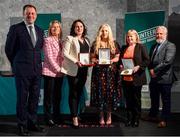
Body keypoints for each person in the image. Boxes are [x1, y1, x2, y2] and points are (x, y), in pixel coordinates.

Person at [5, 4, 44, 135]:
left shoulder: (39, 30)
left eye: (33, 13)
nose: (30, 15)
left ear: (36, 15)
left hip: (37, 70)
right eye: (28, 13)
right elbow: (9, 49)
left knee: (34, 98)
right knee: (22, 98)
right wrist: (16, 64)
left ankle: (32, 123)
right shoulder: (16, 29)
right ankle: (22, 125)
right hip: (22, 70)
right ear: (23, 14)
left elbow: (38, 50)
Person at [61, 19, 90, 128]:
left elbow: (87, 55)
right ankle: (74, 117)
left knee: (79, 93)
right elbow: (65, 53)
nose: (79, 28)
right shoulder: (70, 38)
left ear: (84, 28)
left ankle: (76, 114)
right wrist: (76, 61)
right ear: (74, 28)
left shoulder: (86, 40)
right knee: (73, 94)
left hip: (84, 70)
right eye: (77, 26)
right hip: (73, 70)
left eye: (81, 26)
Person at [90, 24, 121, 125]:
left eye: (106, 31)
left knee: (109, 94)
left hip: (110, 73)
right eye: (102, 31)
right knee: (100, 94)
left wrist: (112, 60)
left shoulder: (114, 43)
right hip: (99, 73)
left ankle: (109, 115)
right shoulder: (95, 43)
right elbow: (92, 58)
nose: (104, 33)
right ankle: (101, 115)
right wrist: (97, 60)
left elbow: (118, 56)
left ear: (109, 32)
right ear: (100, 32)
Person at [120, 29, 150, 127]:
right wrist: (120, 66)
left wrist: (139, 66)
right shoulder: (124, 47)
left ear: (136, 37)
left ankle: (136, 119)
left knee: (136, 99)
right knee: (128, 100)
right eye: (128, 36)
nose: (129, 38)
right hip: (125, 78)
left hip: (137, 78)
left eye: (131, 36)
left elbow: (147, 61)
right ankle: (129, 118)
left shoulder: (141, 47)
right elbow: (120, 61)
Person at [148, 26, 176, 128]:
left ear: (165, 35)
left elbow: (167, 62)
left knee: (165, 100)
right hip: (154, 78)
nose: (158, 35)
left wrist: (154, 70)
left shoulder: (171, 46)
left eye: (161, 34)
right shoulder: (153, 46)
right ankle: (153, 115)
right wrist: (150, 70)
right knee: (154, 98)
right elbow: (149, 61)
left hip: (165, 78)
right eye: (157, 34)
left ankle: (164, 120)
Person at [42, 20, 64, 126]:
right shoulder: (47, 40)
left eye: (57, 27)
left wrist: (63, 69)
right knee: (48, 97)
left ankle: (57, 116)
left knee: (57, 96)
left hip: (60, 73)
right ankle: (48, 118)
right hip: (50, 72)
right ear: (50, 29)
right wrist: (59, 69)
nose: (55, 29)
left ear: (60, 29)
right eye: (53, 27)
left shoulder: (61, 41)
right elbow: (49, 57)